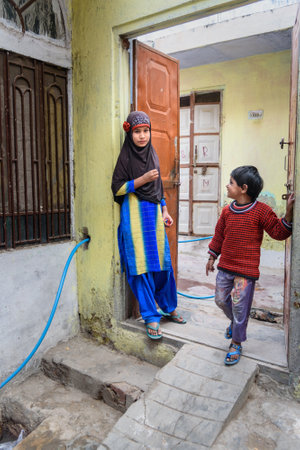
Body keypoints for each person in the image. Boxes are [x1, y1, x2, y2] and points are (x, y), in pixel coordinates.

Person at [206, 165, 294, 365]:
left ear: (243, 188)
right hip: (225, 267)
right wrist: (212, 256)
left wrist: (288, 214)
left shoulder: (262, 211)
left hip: (246, 272)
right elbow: (219, 235)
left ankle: (236, 342)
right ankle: (235, 324)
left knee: (240, 308)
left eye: (231, 182)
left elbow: (278, 232)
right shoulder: (227, 211)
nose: (227, 186)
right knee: (220, 300)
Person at [111, 111, 186, 340]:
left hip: (153, 217)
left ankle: (168, 306)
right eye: (137, 132)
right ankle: (150, 316)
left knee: (162, 264)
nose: (142, 136)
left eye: (146, 131)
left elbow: (157, 189)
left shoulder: (152, 153)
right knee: (140, 266)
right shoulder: (125, 158)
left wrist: (164, 210)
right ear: (130, 133)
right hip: (133, 217)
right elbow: (117, 188)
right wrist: (140, 180)